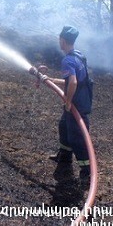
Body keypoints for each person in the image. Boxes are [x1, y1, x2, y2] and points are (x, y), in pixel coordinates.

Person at [44, 26, 92, 185]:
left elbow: (73, 82)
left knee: (77, 137)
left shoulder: (68, 60)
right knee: (63, 126)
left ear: (62, 41)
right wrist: (52, 79)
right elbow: (70, 81)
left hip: (76, 103)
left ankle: (87, 170)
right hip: (82, 99)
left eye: (59, 39)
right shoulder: (78, 56)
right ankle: (64, 157)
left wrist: (68, 101)